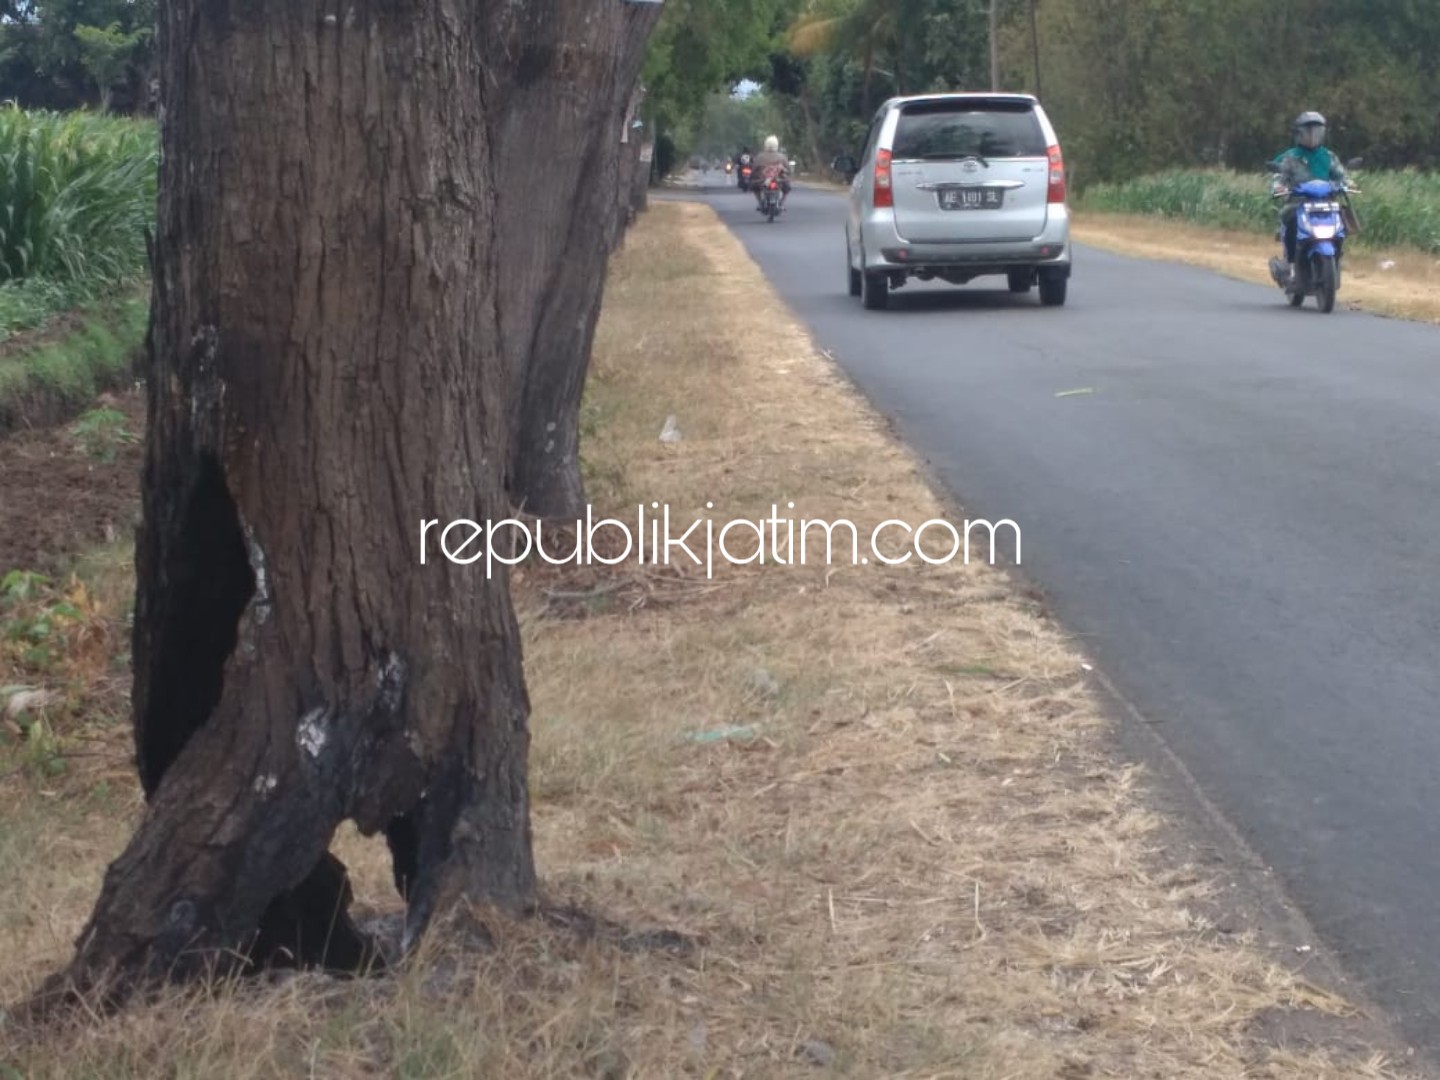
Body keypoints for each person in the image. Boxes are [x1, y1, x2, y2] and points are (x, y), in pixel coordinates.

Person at [1271, 111, 1348, 280]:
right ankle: (1291, 264)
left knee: (1344, 221)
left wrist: (1347, 184)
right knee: (1291, 222)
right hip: (1297, 204)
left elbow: (1341, 175)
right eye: (1308, 131)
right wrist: (1279, 187)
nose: (1312, 135)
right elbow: (1279, 177)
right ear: (1299, 133)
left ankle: (1337, 256)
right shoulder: (1290, 157)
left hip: (1326, 203)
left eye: (1317, 131)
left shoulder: (1328, 156)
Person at [751, 135, 791, 210]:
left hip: (763, 180)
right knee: (787, 188)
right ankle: (782, 202)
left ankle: (760, 202)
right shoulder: (782, 156)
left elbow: (754, 169)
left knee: (754, 187)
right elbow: (788, 169)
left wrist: (753, 177)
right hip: (779, 180)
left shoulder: (760, 157)